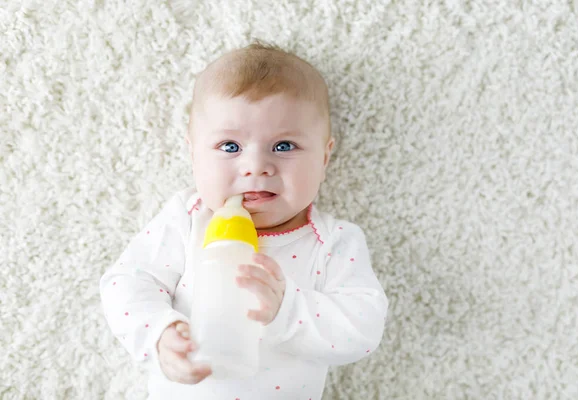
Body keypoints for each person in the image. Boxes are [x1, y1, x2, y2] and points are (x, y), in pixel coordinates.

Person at [99, 41, 388, 399]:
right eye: (230, 147)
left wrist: (287, 309)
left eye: (283, 146)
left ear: (325, 157)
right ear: (193, 152)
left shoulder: (333, 241)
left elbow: (362, 327)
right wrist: (159, 333)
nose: (255, 166)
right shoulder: (188, 219)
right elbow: (127, 282)